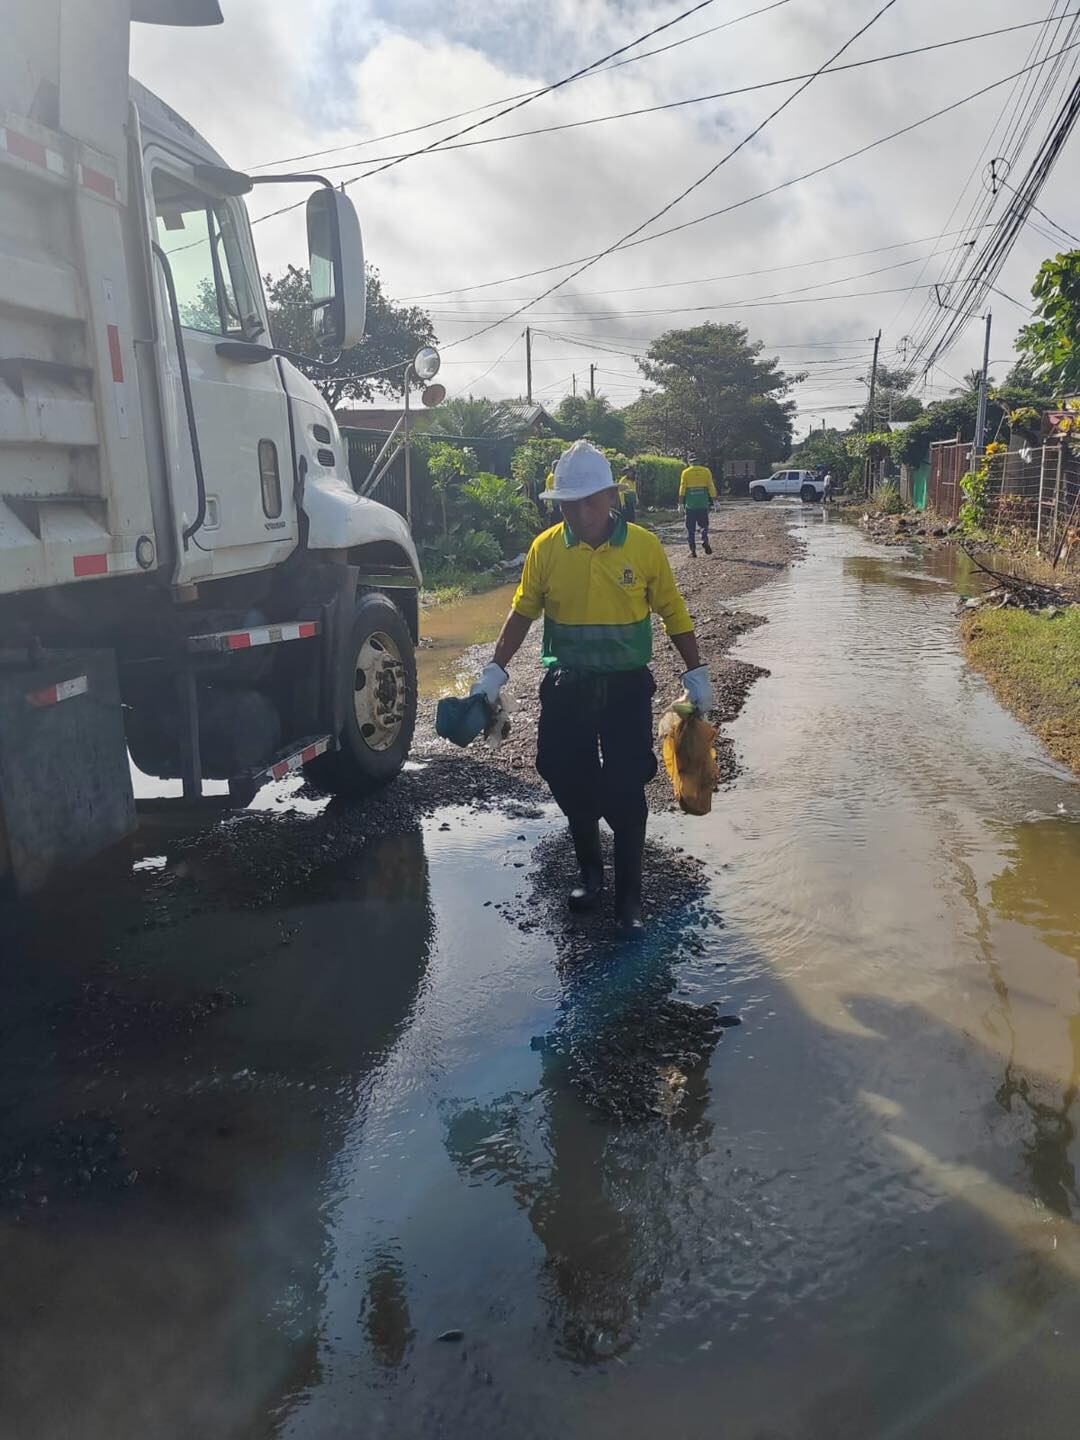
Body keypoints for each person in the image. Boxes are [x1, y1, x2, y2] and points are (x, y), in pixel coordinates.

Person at [473, 441, 713, 936]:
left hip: (626, 688)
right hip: (567, 684)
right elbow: (522, 611)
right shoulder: (546, 549)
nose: (580, 512)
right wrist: (496, 669)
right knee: (560, 769)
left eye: (589, 500)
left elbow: (672, 609)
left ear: (610, 497)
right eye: (569, 502)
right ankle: (590, 870)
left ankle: (629, 899)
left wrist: (696, 672)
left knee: (625, 789)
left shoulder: (643, 547)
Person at [679, 460, 716, 557]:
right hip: (703, 504)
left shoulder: (686, 472)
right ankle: (704, 540)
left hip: (690, 505)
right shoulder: (706, 471)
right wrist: (715, 501)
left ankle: (693, 551)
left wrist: (680, 504)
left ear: (690, 462)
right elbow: (711, 486)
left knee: (690, 529)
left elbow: (682, 488)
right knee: (704, 525)